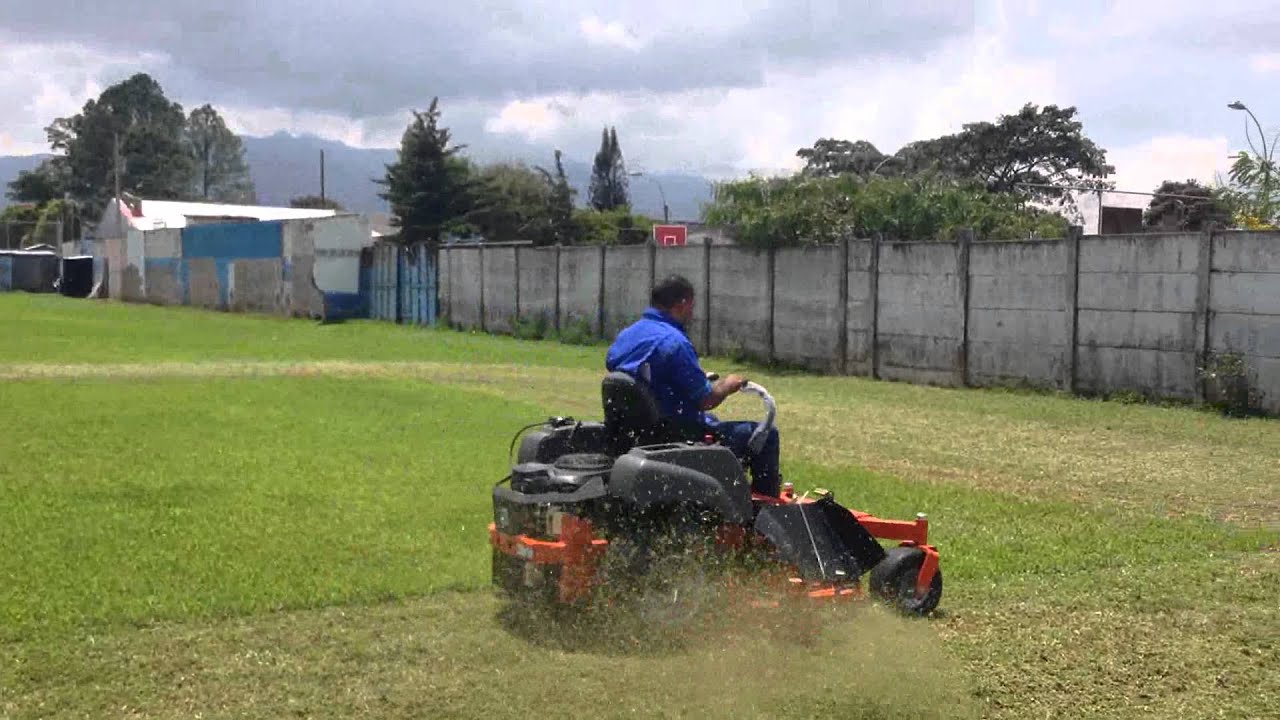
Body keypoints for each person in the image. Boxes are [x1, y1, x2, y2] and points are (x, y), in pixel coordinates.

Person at [605, 274, 782, 496]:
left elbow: (640, 374)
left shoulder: (627, 335)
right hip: (673, 436)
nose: (692, 312)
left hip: (636, 433)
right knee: (766, 434)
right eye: (691, 306)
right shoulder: (674, 342)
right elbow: (706, 400)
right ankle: (762, 510)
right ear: (682, 304)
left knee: (714, 422)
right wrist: (728, 384)